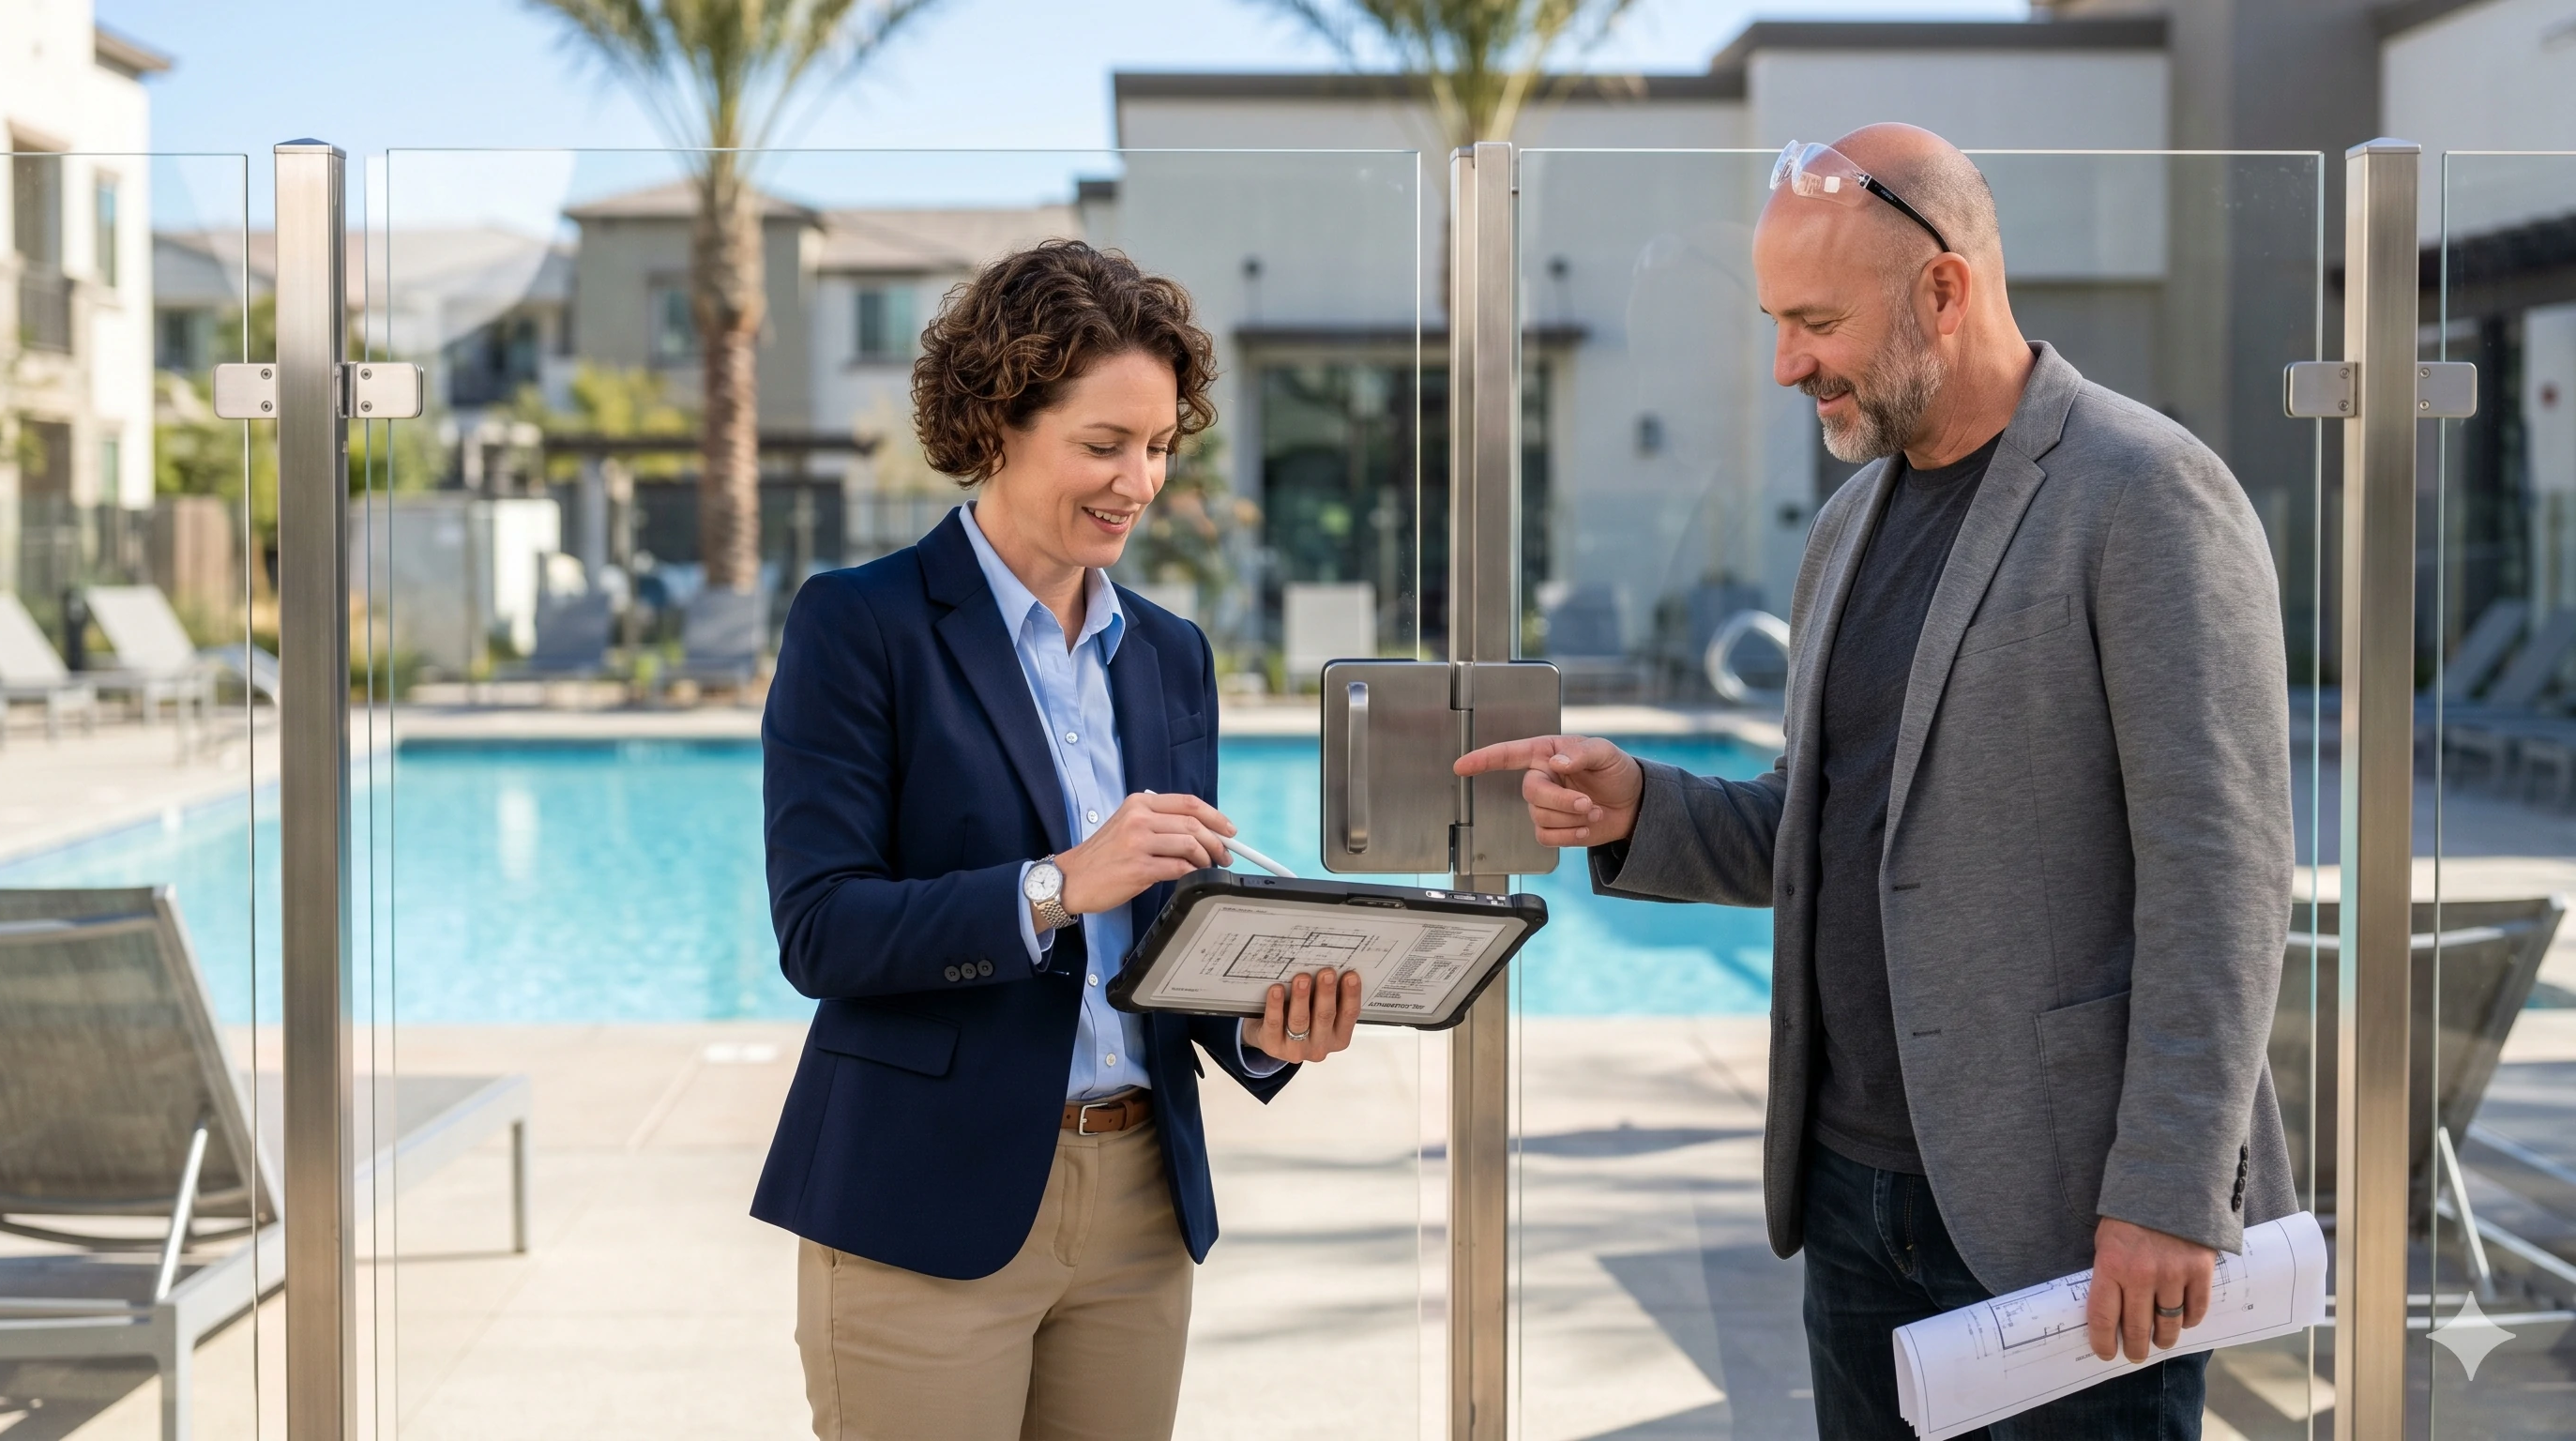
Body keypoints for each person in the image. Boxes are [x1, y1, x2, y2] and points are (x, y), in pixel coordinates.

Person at [1458, 124, 2296, 1440]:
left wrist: (2171, 1190)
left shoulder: (2147, 495)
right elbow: (1839, 824)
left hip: (2073, 1223)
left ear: (1944, 292)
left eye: (1815, 322)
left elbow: (2224, 876)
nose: (1788, 362)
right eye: (1777, 322)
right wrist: (1642, 804)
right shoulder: (1851, 521)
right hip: (1853, 1205)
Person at [754, 238, 1366, 1441]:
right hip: (923, 1208)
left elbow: (1162, 937)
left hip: (1139, 1209)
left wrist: (1259, 1026)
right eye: (1101, 446)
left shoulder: (1171, 653)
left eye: (1155, 448)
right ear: (993, 424)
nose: (1137, 483)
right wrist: (1056, 884)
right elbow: (820, 931)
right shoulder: (859, 625)